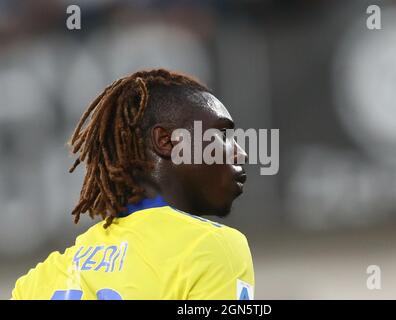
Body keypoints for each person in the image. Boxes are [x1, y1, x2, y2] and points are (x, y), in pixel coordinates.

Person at [11, 69, 254, 300]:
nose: (240, 153)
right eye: (221, 135)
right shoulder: (215, 248)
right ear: (166, 141)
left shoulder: (39, 280)